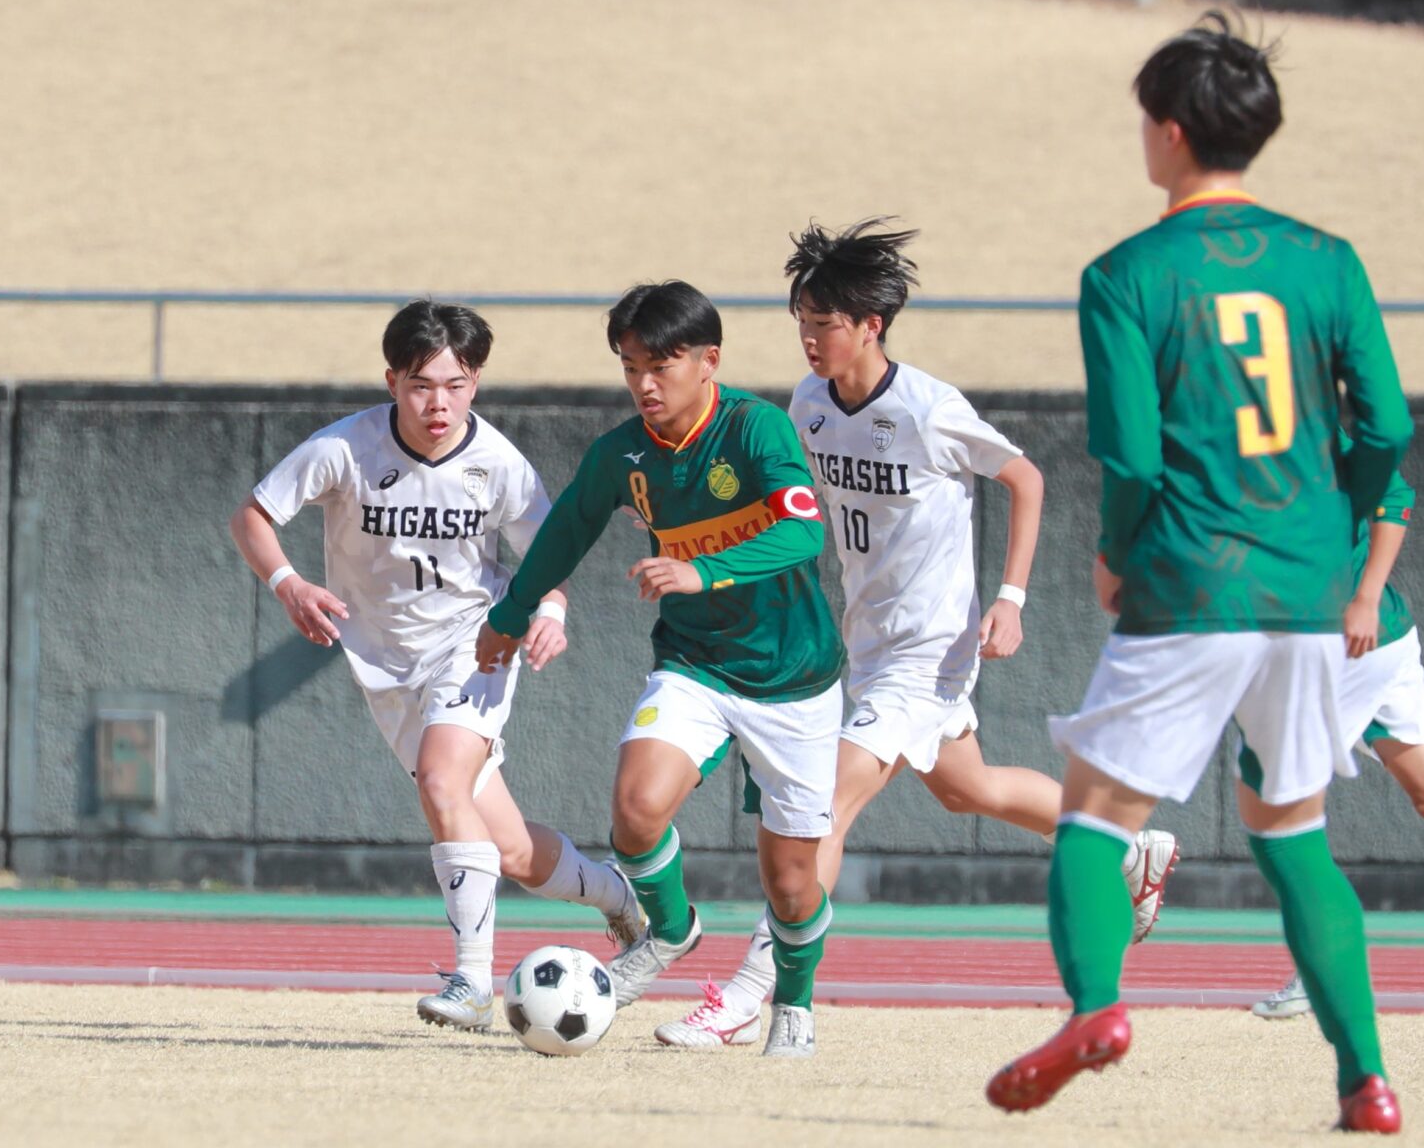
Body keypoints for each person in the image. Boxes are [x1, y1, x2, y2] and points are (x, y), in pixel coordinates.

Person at [984, 13, 1412, 1134]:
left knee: (1092, 817)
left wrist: (1117, 554)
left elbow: (1128, 450)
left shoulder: (1127, 272)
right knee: (1293, 830)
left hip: (1191, 581)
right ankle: (1364, 1078)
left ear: (1168, 131)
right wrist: (1342, 521)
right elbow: (1381, 425)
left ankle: (1095, 1007)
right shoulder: (1330, 261)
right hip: (1313, 593)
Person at [654, 218, 1177, 1050]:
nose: (810, 338)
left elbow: (1027, 479)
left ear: (871, 326)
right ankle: (1128, 846)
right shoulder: (809, 405)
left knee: (821, 806)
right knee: (969, 787)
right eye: (801, 320)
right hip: (864, 641)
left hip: (932, 649)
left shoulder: (930, 409)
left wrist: (1011, 598)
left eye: (824, 322)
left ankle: (753, 993)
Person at [229, 299, 645, 1034]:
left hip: (474, 643)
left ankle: (472, 985)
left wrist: (550, 611)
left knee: (441, 777)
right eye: (422, 384)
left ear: (475, 383)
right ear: (392, 380)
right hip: (385, 667)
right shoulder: (344, 449)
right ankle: (621, 899)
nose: (438, 403)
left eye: (455, 385)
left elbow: (548, 556)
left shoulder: (496, 462)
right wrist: (287, 583)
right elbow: (253, 516)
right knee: (510, 850)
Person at [476, 280, 845, 1057]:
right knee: (636, 810)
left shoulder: (755, 428)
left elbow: (806, 534)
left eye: (661, 366)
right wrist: (511, 615)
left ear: (708, 360)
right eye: (631, 367)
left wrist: (702, 572)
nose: (645, 384)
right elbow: (568, 528)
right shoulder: (624, 453)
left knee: (790, 882)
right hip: (696, 664)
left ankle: (796, 1004)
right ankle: (672, 932)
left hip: (796, 678)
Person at [1251, 446, 1424, 1021]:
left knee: (1280, 810)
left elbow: (1395, 498)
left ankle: (1321, 971)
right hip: (1376, 641)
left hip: (1347, 643)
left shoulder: (1308, 428)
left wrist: (1365, 597)